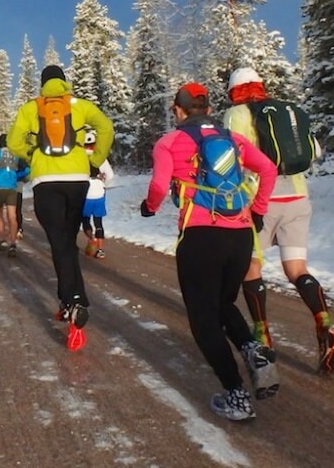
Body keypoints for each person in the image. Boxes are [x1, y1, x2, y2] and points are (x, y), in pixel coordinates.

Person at [142, 82, 278, 421]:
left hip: (201, 236)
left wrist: (149, 207)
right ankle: (252, 350)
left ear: (179, 110)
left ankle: (237, 396)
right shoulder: (233, 139)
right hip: (241, 234)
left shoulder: (170, 142)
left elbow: (160, 186)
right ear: (208, 109)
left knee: (203, 320)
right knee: (222, 303)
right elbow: (268, 169)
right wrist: (258, 211)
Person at [223, 67, 334, 374]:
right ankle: (325, 323)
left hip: (259, 202)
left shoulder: (237, 114)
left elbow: (230, 156)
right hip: (298, 198)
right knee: (297, 270)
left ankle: (262, 331)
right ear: (260, 87)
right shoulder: (286, 112)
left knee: (251, 267)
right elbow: (314, 150)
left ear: (233, 90)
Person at [7, 65, 114, 351]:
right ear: (63, 82)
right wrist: (94, 159)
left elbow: (13, 141)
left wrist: (32, 155)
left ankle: (75, 301)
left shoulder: (31, 108)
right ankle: (68, 301)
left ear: (43, 85)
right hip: (78, 179)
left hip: (46, 180)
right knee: (66, 241)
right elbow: (105, 127)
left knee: (59, 242)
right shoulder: (78, 105)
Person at [0, 133, 31, 257]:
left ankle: (3, 240)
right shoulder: (16, 154)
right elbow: (27, 170)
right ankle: (13, 243)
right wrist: (16, 176)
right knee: (12, 216)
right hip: (12, 187)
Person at [80, 129, 115, 259]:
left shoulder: (80, 158)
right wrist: (103, 184)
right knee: (98, 222)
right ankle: (100, 250)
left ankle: (91, 237)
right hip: (99, 193)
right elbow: (110, 175)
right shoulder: (101, 158)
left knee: (85, 220)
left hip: (85, 194)